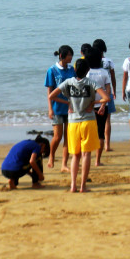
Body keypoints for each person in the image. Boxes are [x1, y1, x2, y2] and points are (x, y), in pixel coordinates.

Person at [49, 58, 110, 193]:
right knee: (86, 154)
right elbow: (107, 98)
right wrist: (93, 103)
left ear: (75, 69)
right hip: (88, 121)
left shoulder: (69, 82)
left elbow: (51, 96)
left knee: (75, 155)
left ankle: (73, 186)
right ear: (87, 70)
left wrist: (68, 103)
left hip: (73, 122)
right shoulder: (91, 83)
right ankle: (83, 186)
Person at [45, 45, 76, 171]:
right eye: (69, 55)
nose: (71, 57)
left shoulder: (72, 70)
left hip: (70, 108)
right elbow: (49, 92)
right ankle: (51, 156)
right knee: (57, 136)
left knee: (68, 137)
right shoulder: (52, 70)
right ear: (62, 56)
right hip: (57, 107)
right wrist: (50, 109)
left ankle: (64, 164)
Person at [85, 47, 112, 167]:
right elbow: (108, 90)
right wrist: (103, 104)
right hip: (101, 105)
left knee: (88, 134)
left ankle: (86, 158)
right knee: (100, 133)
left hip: (88, 106)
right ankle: (97, 161)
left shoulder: (86, 72)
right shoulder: (104, 72)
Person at [93, 39, 117, 152]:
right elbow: (113, 77)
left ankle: (95, 143)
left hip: (94, 96)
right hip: (107, 92)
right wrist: (114, 91)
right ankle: (106, 145)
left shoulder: (91, 62)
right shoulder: (108, 61)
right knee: (107, 120)